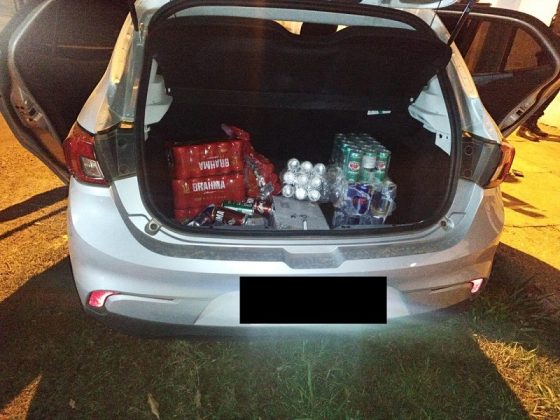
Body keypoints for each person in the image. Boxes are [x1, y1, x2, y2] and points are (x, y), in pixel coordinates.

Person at [518, 12, 560, 142]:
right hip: (554, 52)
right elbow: (557, 28)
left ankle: (532, 122)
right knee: (544, 90)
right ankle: (524, 125)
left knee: (551, 92)